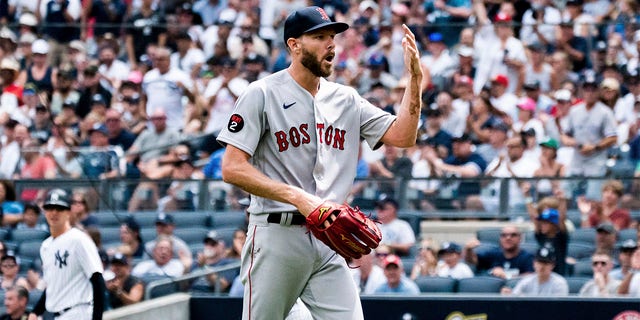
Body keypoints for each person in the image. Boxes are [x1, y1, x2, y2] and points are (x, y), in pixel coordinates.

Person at [217, 6, 422, 319]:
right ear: (294, 45)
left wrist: (415, 81)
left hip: (329, 239)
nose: (331, 44)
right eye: (319, 37)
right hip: (277, 235)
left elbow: (404, 136)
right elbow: (232, 168)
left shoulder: (346, 99)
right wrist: (299, 198)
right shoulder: (262, 93)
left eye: (333, 36)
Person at [28, 189, 105, 320]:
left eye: (59, 208)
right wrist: (35, 312)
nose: (54, 213)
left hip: (79, 311)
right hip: (58, 315)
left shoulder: (79, 239)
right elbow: (53, 286)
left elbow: (97, 280)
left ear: (69, 212)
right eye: (50, 208)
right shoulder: (46, 246)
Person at [464, 225, 534, 279]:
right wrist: (468, 250)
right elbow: (472, 261)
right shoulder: (493, 254)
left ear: (520, 238)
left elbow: (530, 277)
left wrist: (506, 276)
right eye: (504, 235)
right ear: (500, 239)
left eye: (513, 235)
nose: (508, 238)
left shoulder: (527, 257)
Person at [504, 246, 569, 296]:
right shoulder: (526, 281)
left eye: (545, 263)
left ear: (552, 265)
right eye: (539, 262)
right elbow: (514, 299)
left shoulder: (559, 283)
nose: (542, 266)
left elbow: (559, 308)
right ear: (534, 263)